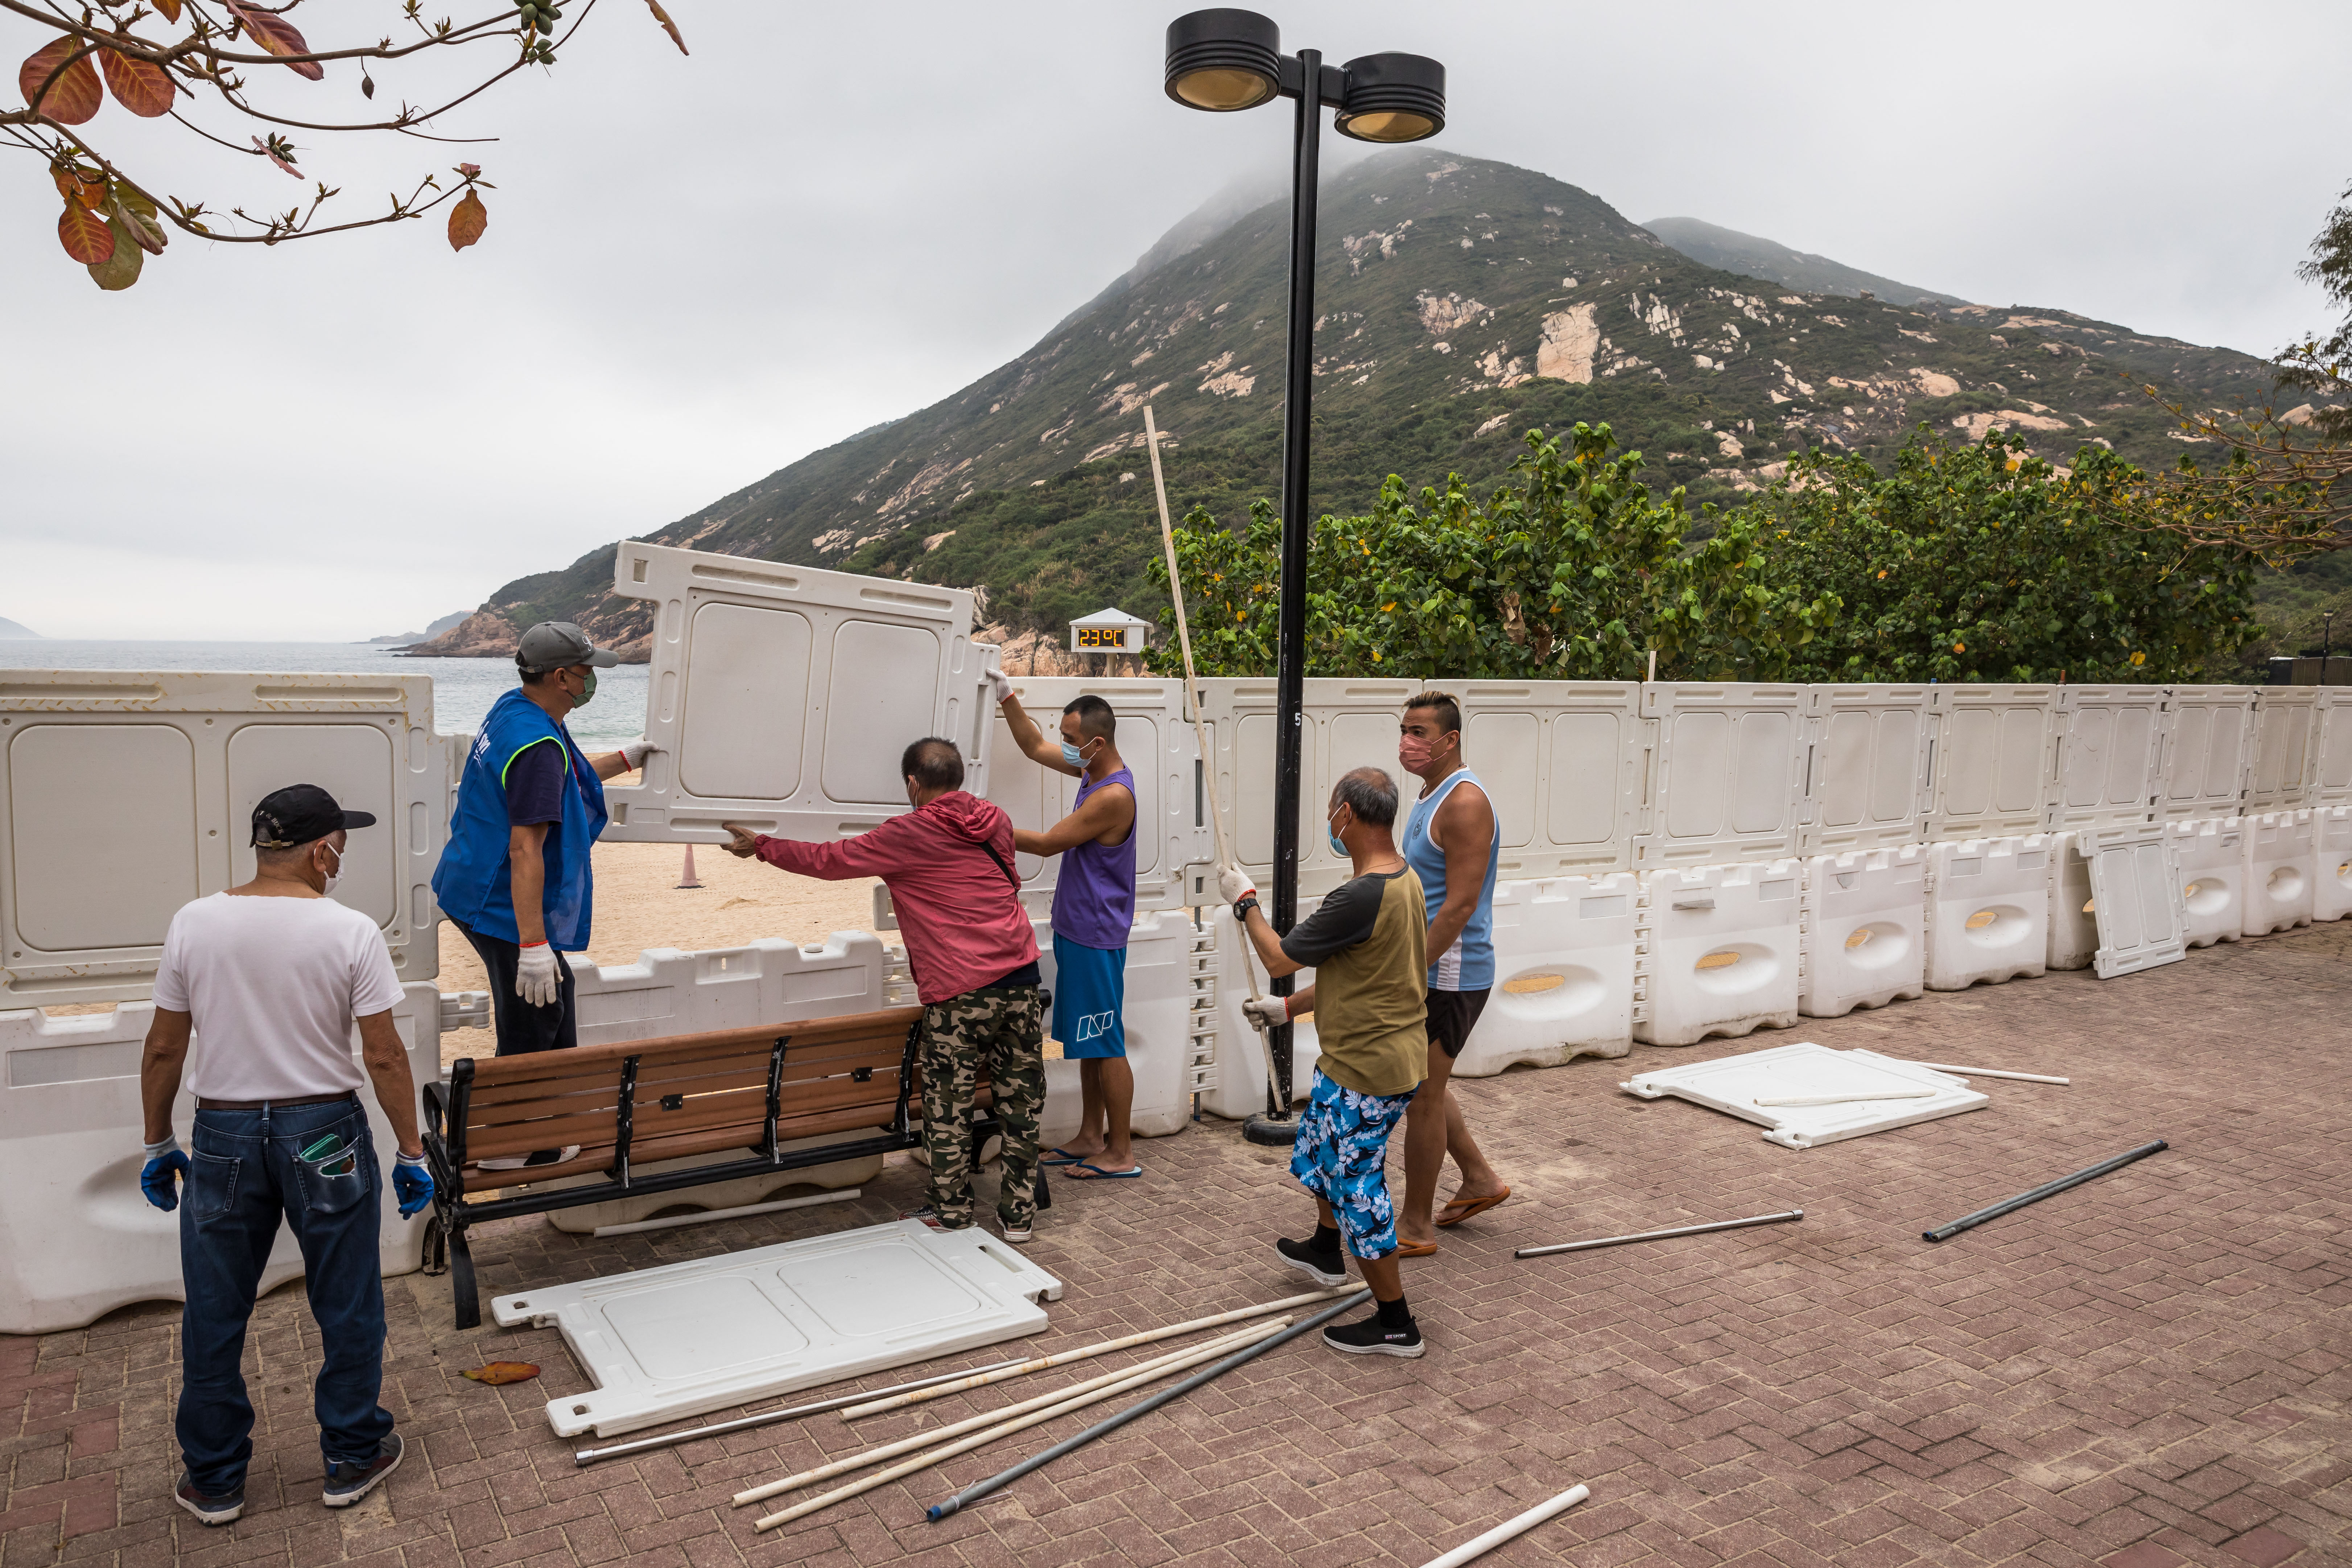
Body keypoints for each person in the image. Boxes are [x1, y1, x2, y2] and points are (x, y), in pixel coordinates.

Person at [137, 785, 437, 1526]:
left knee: (214, 1306)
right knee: (347, 1299)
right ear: (321, 848)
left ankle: (214, 1478)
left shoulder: (194, 921)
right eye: (342, 843)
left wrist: (156, 1140)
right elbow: (386, 1056)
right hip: (325, 1131)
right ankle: (351, 1451)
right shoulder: (350, 930)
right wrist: (412, 1150)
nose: (342, 857)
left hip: (224, 1135)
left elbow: (166, 1045)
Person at [721, 737, 1046, 1241]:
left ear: (912, 783)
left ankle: (951, 1212)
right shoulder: (996, 820)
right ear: (959, 777)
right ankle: (1019, 1216)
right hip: (1021, 976)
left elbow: (830, 860)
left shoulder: (908, 833)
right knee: (1020, 1103)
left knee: (949, 1105)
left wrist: (761, 846)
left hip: (960, 988)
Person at [1221, 767, 1431, 1358]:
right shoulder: (1403, 879)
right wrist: (1287, 1010)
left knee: (1359, 1188)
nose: (1329, 820)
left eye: (1332, 810)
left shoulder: (1360, 895)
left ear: (1347, 816)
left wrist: (1245, 902)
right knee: (1317, 1149)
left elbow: (1280, 954)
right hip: (1366, 1058)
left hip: (1370, 1069)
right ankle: (1323, 1248)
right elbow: (1361, 974)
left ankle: (1395, 1323)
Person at [430, 621, 653, 1169]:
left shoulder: (516, 710)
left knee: (553, 999)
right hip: (500, 899)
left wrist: (626, 759)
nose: (590, 681)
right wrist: (533, 945)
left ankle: (542, 1127)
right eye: (587, 672)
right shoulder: (536, 745)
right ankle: (509, 1147)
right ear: (560, 676)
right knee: (534, 1013)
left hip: (469, 880)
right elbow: (526, 849)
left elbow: (562, 777)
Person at [991, 677, 1141, 1180]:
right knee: (1088, 1039)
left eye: (1072, 740)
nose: (1065, 746)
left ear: (1097, 743)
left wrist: (976, 826)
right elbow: (1034, 746)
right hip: (1081, 928)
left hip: (1096, 932)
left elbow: (1049, 843)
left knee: (1107, 1041)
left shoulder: (1112, 794)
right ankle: (1090, 1135)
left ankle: (1119, 1153)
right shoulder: (1091, 770)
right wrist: (1007, 697)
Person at [1394, 691, 1511, 1254]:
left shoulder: (1464, 803)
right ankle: (1479, 1178)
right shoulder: (1429, 794)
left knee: (1421, 1097)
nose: (1408, 743)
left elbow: (1460, 905)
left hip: (1451, 970)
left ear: (1450, 740)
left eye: (1419, 732)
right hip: (1432, 965)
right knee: (1425, 1086)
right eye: (1404, 730)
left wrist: (1409, 970)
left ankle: (1414, 1227)